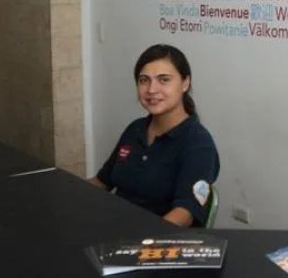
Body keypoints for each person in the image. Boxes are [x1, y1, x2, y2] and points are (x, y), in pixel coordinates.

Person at [89, 44, 220, 227]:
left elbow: (184, 214)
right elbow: (102, 181)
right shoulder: (135, 129)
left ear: (185, 83)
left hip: (159, 239)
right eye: (144, 80)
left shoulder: (198, 143)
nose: (151, 89)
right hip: (116, 229)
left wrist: (140, 238)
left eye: (164, 80)